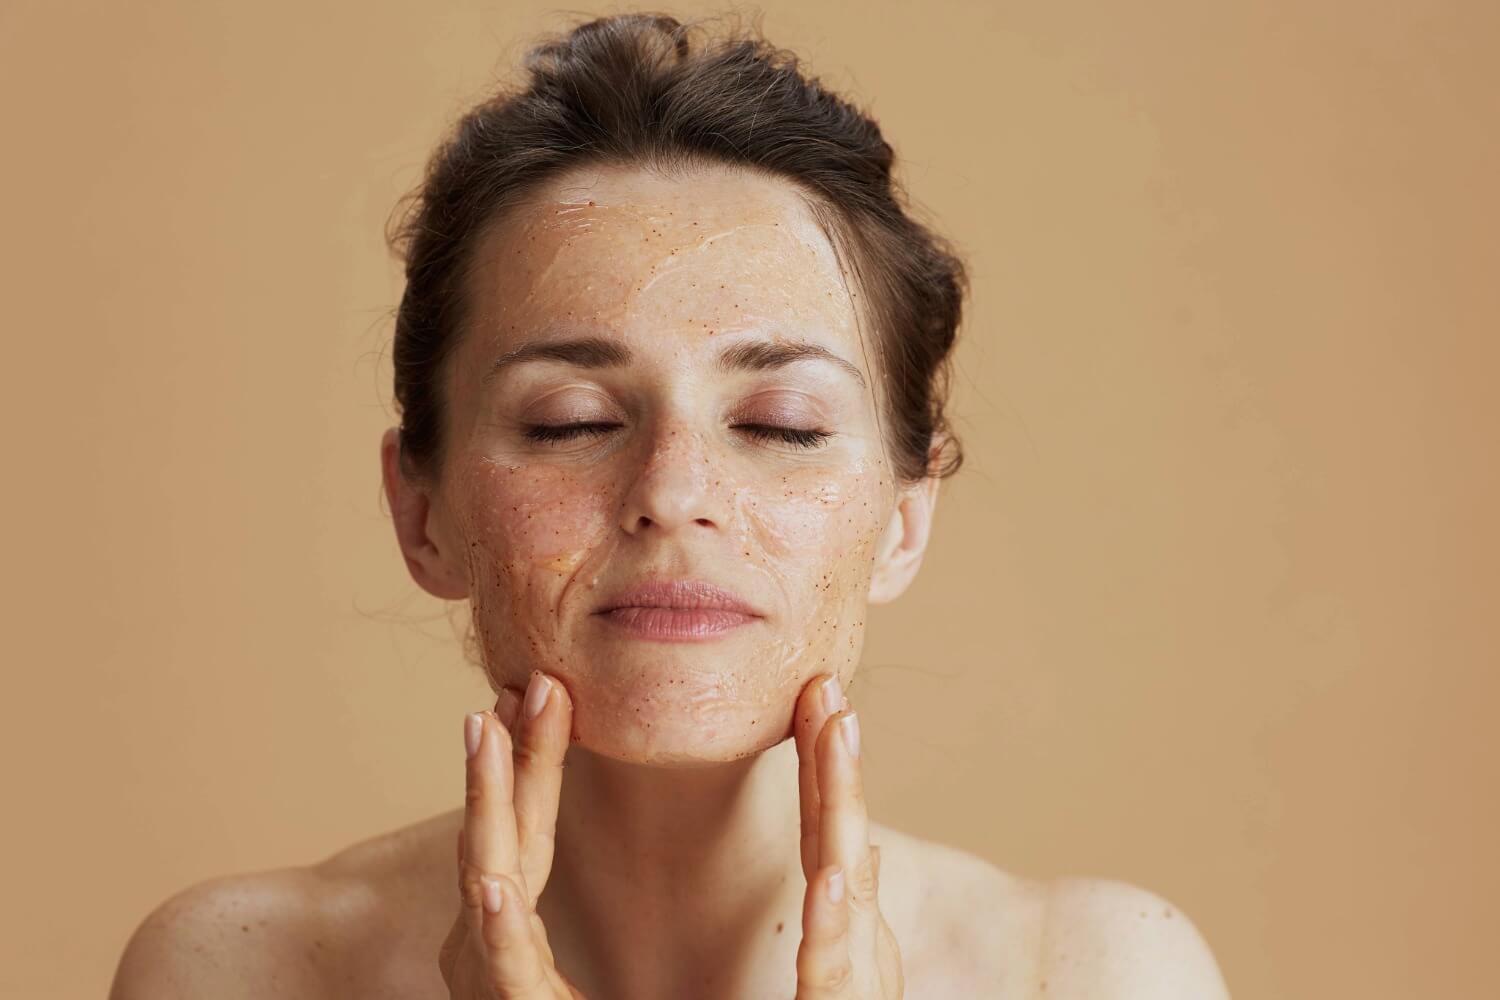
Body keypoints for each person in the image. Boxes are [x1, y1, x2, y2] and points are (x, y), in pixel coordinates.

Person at [110, 12, 1230, 998]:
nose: (673, 493)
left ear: (905, 517)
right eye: (570, 422)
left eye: (781, 424)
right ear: (421, 512)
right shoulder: (239, 971)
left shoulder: (1093, 974)